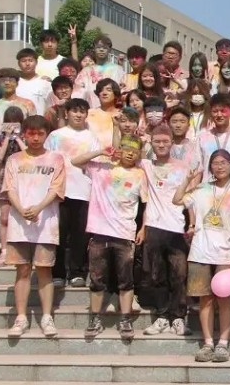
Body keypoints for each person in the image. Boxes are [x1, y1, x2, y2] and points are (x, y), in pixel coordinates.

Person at [173, 149, 230, 363]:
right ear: (210, 167)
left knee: (224, 299)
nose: (219, 166)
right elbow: (177, 200)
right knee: (205, 299)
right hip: (200, 252)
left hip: (226, 254)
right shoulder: (201, 189)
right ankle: (207, 343)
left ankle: (222, 343)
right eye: (215, 163)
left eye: (224, 162)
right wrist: (187, 180)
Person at [71, 135, 148, 341]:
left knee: (126, 280)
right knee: (97, 280)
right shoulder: (101, 168)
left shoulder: (140, 174)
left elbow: (146, 205)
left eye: (134, 150)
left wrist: (143, 228)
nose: (130, 153)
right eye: (126, 148)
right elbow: (75, 161)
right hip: (99, 233)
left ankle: (125, 319)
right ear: (119, 149)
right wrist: (101, 152)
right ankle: (95, 319)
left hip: (125, 233)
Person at [3, 115, 66, 338]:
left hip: (46, 224)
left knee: (44, 270)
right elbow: (9, 188)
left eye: (40, 133)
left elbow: (56, 189)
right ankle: (21, 317)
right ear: (24, 134)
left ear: (46, 135)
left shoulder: (56, 159)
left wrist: (38, 207)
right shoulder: (14, 160)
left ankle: (47, 317)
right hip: (19, 225)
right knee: (22, 270)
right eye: (31, 133)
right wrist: (21, 209)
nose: (36, 138)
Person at [140, 125, 194, 337]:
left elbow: (190, 198)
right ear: (151, 143)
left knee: (179, 274)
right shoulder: (145, 165)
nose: (161, 145)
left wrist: (192, 224)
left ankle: (178, 317)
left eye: (165, 141)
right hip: (154, 226)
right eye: (157, 141)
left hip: (177, 227)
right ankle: (162, 316)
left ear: (172, 142)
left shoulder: (183, 168)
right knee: (157, 274)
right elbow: (123, 151)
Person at [44, 98, 100, 287]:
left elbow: (95, 165)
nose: (78, 115)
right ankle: (58, 273)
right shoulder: (55, 136)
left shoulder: (91, 137)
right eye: (75, 111)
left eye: (82, 111)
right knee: (58, 233)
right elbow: (46, 161)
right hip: (58, 192)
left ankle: (77, 272)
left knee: (80, 234)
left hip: (83, 191)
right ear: (66, 113)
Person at [0, 68, 36, 176]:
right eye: (3, 80)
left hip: (23, 154)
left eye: (11, 80)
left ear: (17, 83)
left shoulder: (28, 104)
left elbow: (34, 129)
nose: (7, 83)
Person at [0, 107, 26, 268]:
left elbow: (27, 153)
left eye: (15, 122)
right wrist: (6, 137)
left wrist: (17, 138)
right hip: (6, 176)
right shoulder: (0, 138)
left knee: (22, 215)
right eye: (9, 122)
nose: (12, 125)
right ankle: (4, 251)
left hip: (23, 176)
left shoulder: (26, 135)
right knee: (4, 218)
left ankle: (22, 251)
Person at [72, 35, 126, 108]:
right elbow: (77, 92)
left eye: (104, 47)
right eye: (98, 47)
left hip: (113, 110)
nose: (101, 50)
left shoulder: (118, 70)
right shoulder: (86, 71)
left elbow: (124, 90)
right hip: (90, 110)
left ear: (110, 50)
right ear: (94, 49)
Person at [16, 48, 52, 115]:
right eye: (23, 61)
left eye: (30, 60)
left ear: (36, 62)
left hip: (39, 120)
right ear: (19, 64)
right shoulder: (15, 83)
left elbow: (51, 107)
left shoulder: (45, 83)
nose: (27, 64)